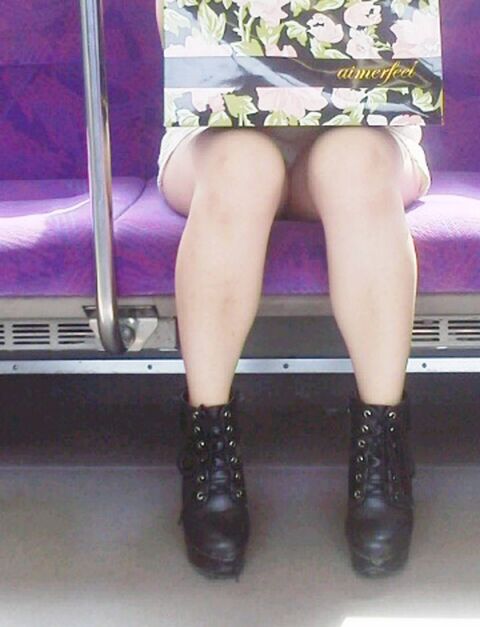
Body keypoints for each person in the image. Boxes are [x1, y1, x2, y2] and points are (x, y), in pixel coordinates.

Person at [156, 1, 431, 579]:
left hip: (369, 121)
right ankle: (210, 447)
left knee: (354, 162)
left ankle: (381, 449)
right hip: (217, 126)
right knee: (241, 166)